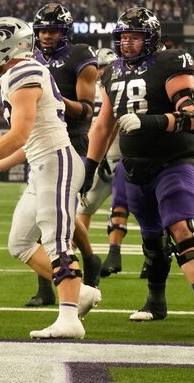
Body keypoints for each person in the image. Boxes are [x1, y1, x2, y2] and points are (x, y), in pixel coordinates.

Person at [0, 17, 101, 339]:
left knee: (56, 241)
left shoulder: (24, 72)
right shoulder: (17, 74)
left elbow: (20, 133)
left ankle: (70, 319)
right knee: (20, 242)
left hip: (56, 163)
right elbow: (29, 142)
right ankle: (78, 292)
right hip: (42, 164)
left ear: (7, 46)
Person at [83, 7, 194, 331]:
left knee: (181, 226)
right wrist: (89, 168)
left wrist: (152, 121)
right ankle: (156, 302)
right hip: (134, 168)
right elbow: (102, 127)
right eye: (123, 38)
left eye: (134, 37)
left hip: (173, 161)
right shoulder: (112, 72)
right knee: (152, 241)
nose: (127, 44)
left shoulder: (170, 63)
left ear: (151, 38)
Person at [26, 3, 102, 307]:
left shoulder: (80, 56)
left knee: (56, 214)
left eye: (53, 29)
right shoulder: (31, 58)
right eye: (42, 30)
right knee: (49, 213)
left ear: (65, 31)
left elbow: (86, 109)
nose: (46, 35)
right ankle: (84, 262)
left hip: (70, 139)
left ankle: (62, 280)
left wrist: (55, 101)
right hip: (41, 140)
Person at [77, 47, 130, 278]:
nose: (100, 71)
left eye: (105, 67)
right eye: (97, 67)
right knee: (82, 209)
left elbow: (114, 122)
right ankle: (83, 256)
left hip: (123, 156)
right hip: (97, 157)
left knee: (125, 207)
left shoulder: (122, 85)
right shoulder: (89, 87)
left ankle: (116, 255)